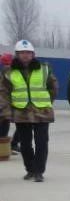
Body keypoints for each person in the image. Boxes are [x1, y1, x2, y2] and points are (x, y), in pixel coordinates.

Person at [0, 40, 56, 182]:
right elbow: (4, 93)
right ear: (17, 54)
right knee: (25, 144)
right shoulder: (8, 72)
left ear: (33, 54)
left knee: (42, 142)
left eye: (28, 53)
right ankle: (30, 169)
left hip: (41, 111)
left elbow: (53, 87)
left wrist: (46, 102)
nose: (25, 55)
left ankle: (39, 171)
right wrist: (7, 111)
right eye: (22, 53)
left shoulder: (44, 69)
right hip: (21, 112)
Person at [0, 52, 13, 154]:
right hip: (5, 104)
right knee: (4, 127)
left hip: (4, 104)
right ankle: (3, 150)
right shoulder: (9, 72)